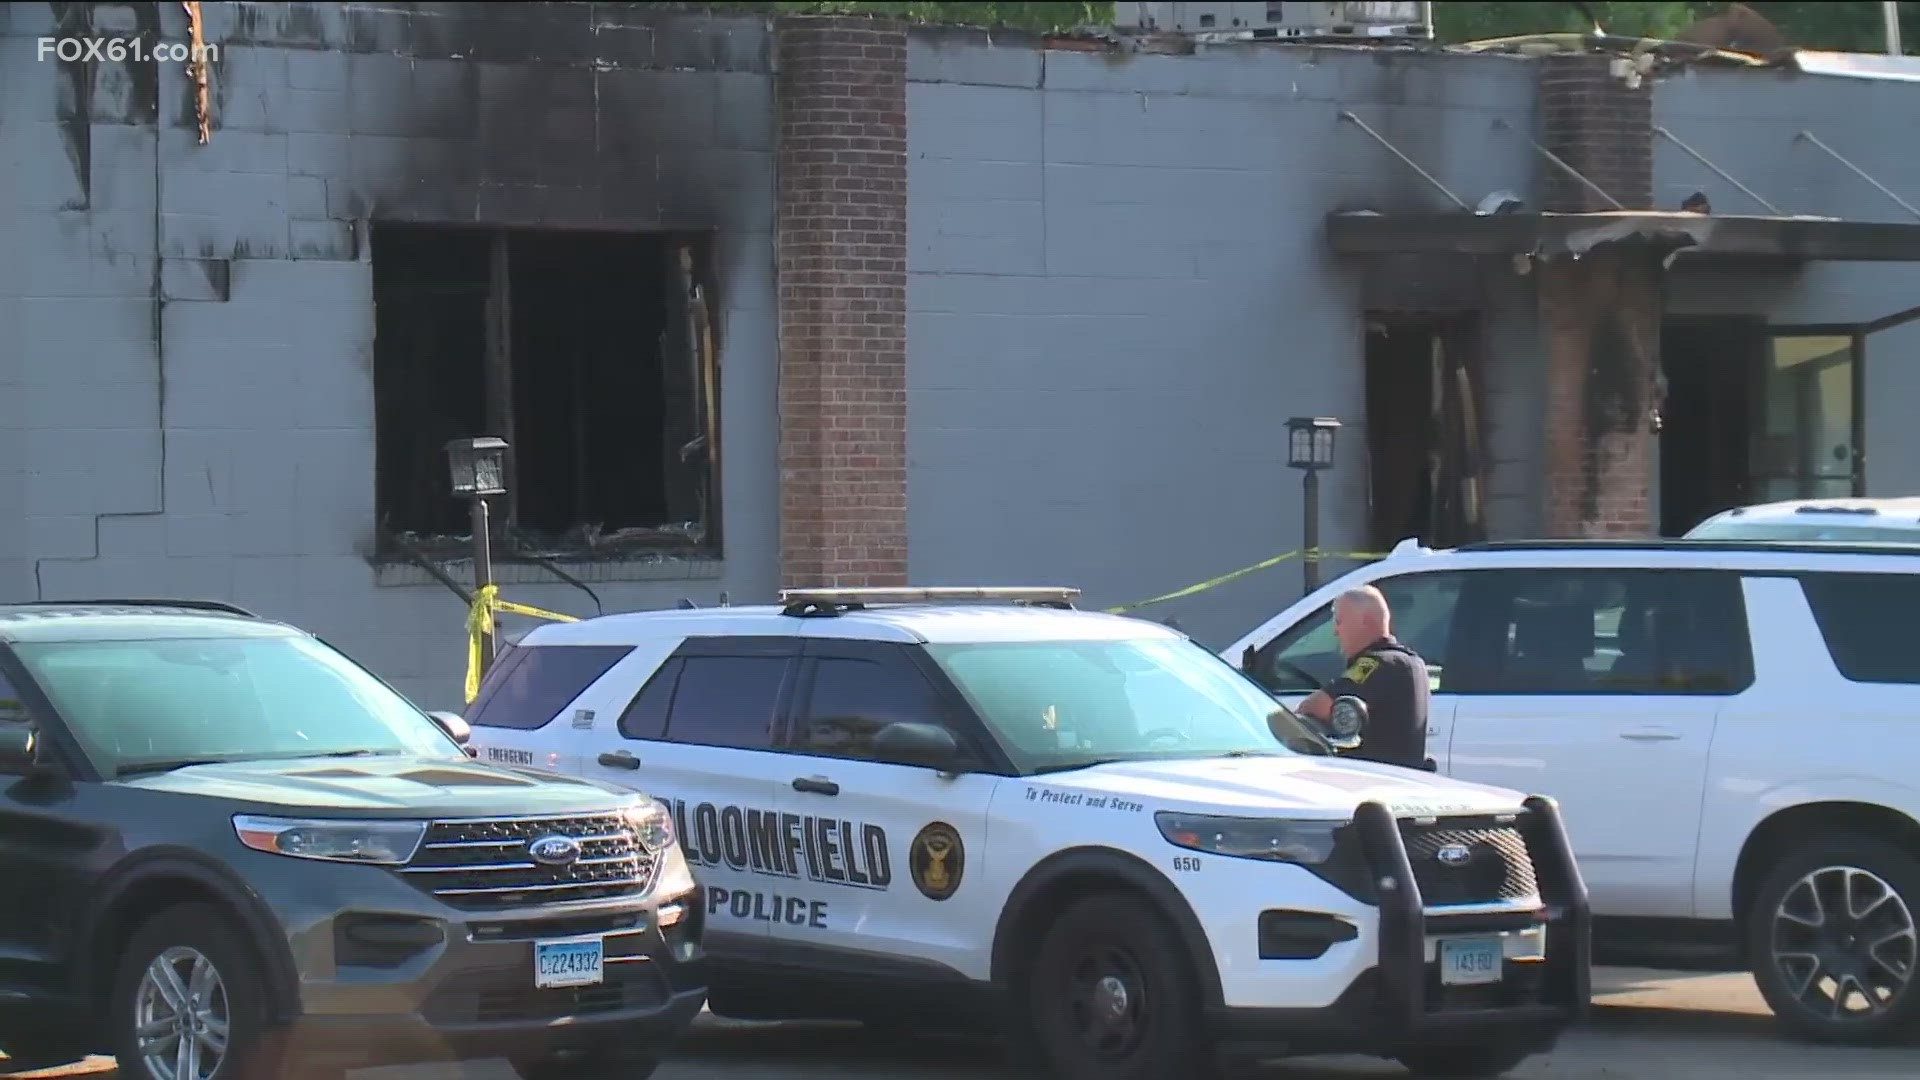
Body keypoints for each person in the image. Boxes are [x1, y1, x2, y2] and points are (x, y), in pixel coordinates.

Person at [1295, 585, 1430, 769]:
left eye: (1339, 621)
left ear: (1365, 621)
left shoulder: (1376, 663)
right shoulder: (1413, 662)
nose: (1336, 631)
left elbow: (1316, 707)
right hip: (1398, 779)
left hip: (1372, 782)